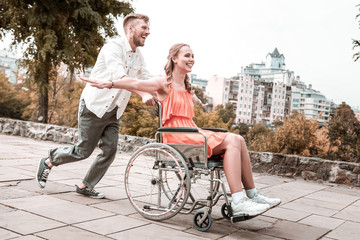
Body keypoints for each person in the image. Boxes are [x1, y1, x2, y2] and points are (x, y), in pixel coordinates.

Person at [79, 43, 281, 216]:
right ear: (174, 58)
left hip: (191, 132)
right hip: (177, 137)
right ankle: (238, 200)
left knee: (239, 139)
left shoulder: (186, 85)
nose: (192, 59)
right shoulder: (163, 82)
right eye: (187, 55)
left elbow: (189, 99)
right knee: (233, 140)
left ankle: (252, 195)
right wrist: (110, 83)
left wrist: (197, 99)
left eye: (193, 56)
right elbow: (136, 82)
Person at [36, 13, 153, 199]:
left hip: (114, 111)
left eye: (148, 28)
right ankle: (50, 160)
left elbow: (147, 79)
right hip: (94, 106)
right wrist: (143, 93)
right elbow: (119, 77)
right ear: (130, 28)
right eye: (144, 28)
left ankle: (85, 185)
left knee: (110, 150)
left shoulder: (138, 57)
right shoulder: (113, 47)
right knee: (83, 151)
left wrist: (168, 85)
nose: (148, 31)